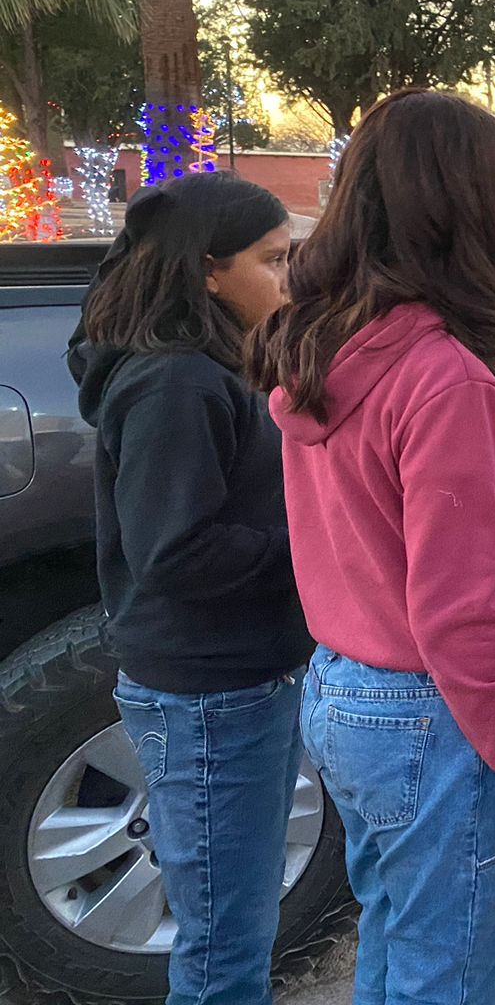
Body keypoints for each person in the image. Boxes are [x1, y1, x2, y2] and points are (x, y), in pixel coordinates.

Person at [246, 90, 495, 1004]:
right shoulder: (443, 381)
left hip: (342, 695)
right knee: (448, 976)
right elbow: (459, 619)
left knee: (396, 942)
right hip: (426, 719)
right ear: (457, 213)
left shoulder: (324, 345)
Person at [73, 173, 307, 1005]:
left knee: (238, 919)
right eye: (274, 261)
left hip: (244, 675)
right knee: (224, 944)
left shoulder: (215, 363)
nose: (289, 279)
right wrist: (313, 546)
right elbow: (177, 551)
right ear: (208, 270)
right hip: (210, 690)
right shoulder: (176, 382)